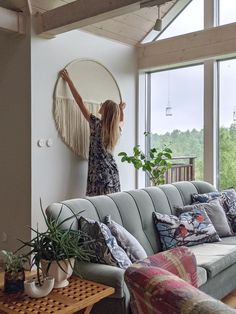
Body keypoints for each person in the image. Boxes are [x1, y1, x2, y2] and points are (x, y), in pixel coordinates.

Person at [60, 69, 126, 196]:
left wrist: (69, 81)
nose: (100, 105)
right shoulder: (116, 129)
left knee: (97, 208)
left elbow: (79, 101)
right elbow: (122, 120)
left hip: (98, 174)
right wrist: (121, 110)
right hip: (111, 173)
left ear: (105, 111)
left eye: (103, 105)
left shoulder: (96, 124)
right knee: (110, 207)